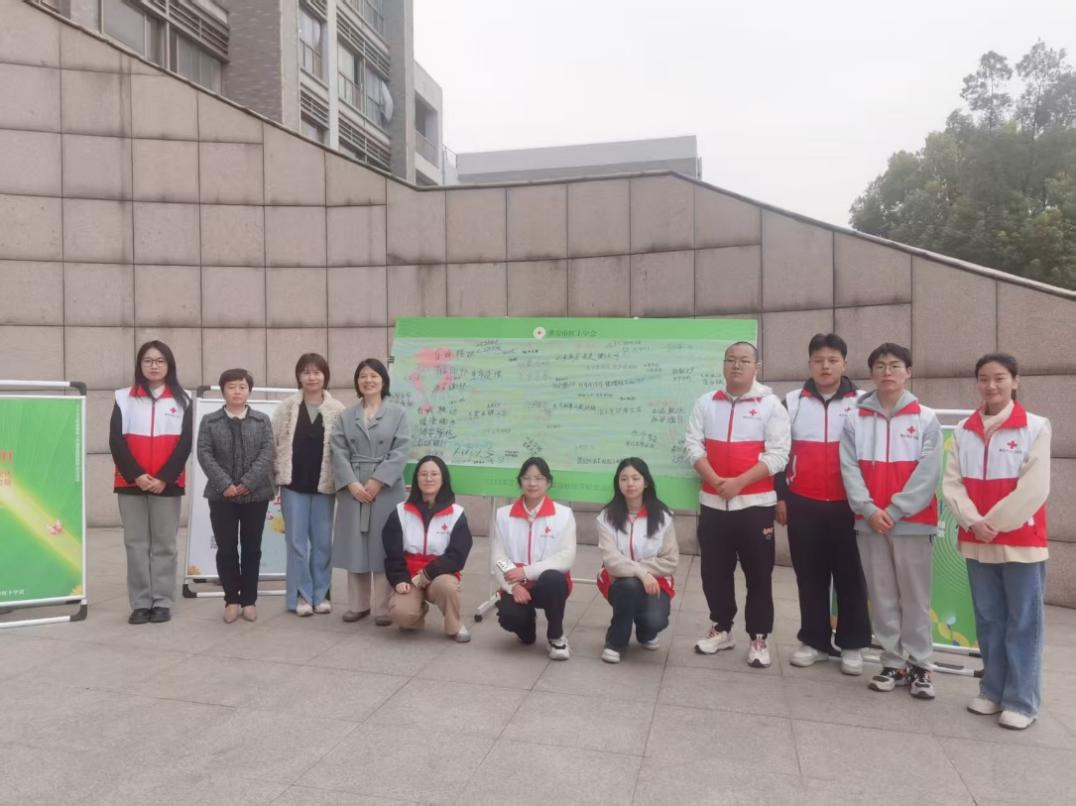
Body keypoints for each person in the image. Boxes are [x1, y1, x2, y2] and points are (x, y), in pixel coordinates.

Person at [943, 353, 1051, 730]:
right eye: (984, 379)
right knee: (989, 619)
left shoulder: (1035, 426)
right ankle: (992, 691)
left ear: (1015, 381)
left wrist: (994, 523)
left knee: (1024, 622)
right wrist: (974, 521)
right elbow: (952, 483)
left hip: (1021, 542)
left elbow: (1035, 488)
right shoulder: (963, 430)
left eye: (1000, 378)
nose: (991, 385)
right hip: (977, 540)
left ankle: (1022, 701)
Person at [839, 342, 942, 699]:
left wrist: (895, 510)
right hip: (868, 521)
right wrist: (868, 509)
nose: (887, 372)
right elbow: (848, 467)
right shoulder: (854, 418)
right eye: (880, 366)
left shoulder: (925, 418)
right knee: (882, 595)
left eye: (895, 365)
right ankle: (893, 662)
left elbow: (928, 473)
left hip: (913, 522)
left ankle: (921, 665)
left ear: (908, 372)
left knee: (915, 598)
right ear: (871, 373)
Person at [685, 341, 790, 668]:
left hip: (755, 507)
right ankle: (721, 628)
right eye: (730, 360)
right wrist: (716, 481)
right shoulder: (706, 402)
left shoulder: (771, 405)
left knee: (758, 574)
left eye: (744, 360)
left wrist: (739, 483)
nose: (736, 365)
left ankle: (758, 637)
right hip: (713, 504)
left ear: (756, 367)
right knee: (713, 572)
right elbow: (692, 445)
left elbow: (778, 455)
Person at [776, 333, 871, 675]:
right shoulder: (792, 401)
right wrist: (780, 496)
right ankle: (814, 641)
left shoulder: (864, 402)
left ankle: (852, 644)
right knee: (810, 576)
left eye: (832, 360)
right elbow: (778, 451)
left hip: (850, 505)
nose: (825, 366)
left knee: (851, 577)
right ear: (809, 364)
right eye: (818, 360)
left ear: (844, 364)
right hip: (803, 503)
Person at [109, 340, 193, 625]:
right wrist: (137, 475)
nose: (154, 366)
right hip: (130, 482)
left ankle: (162, 601)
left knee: (165, 544)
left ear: (169, 365)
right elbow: (116, 441)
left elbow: (185, 443)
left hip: (167, 483)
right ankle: (140, 602)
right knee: (135, 544)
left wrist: (164, 478)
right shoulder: (123, 397)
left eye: (160, 361)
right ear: (140, 365)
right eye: (148, 360)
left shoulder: (184, 400)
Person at [330, 358, 409, 625]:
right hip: (353, 489)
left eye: (374, 375)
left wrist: (378, 480)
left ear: (383, 380)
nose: (368, 380)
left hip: (386, 490)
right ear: (357, 382)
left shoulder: (398, 413)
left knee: (384, 545)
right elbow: (338, 452)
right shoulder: (345, 416)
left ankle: (384, 608)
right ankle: (358, 605)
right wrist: (352, 484)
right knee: (355, 545)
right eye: (363, 376)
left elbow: (401, 450)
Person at [196, 369, 275, 623]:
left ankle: (249, 600)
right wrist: (225, 484)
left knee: (252, 548)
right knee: (226, 548)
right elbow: (204, 454)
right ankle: (231, 599)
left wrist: (248, 482)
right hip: (222, 497)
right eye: (231, 387)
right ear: (223, 391)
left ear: (249, 390)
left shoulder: (262, 420)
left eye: (242, 387)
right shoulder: (210, 421)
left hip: (256, 496)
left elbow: (267, 453)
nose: (237, 392)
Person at [271, 353, 346, 617]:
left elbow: (344, 449)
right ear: (298, 376)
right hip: (293, 486)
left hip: (324, 487)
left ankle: (321, 594)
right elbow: (273, 443)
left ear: (325, 376)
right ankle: (301, 596)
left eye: (317, 372)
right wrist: (274, 477)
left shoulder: (338, 410)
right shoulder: (286, 408)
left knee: (323, 543)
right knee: (296, 543)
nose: (311, 377)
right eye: (306, 372)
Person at [492, 457, 577, 660]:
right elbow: (498, 556)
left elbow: (566, 557)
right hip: (517, 583)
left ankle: (556, 637)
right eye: (527, 478)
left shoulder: (563, 515)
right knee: (510, 618)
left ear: (548, 482)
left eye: (539, 478)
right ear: (520, 481)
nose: (532, 483)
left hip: (548, 584)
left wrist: (526, 572)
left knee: (553, 579)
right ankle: (527, 626)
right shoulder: (503, 515)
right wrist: (513, 586)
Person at [596, 458, 679, 664]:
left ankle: (646, 631)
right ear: (618, 483)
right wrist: (642, 573)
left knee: (656, 620)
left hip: (656, 581)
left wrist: (644, 573)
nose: (630, 484)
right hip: (618, 580)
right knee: (629, 586)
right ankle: (615, 643)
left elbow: (670, 561)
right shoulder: (606, 517)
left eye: (635, 478)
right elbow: (612, 561)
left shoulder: (663, 517)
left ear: (646, 482)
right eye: (624, 479)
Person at [382, 455, 473, 642]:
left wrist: (429, 572)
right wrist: (399, 578)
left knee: (447, 587)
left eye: (434, 474)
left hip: (440, 575)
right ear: (416, 479)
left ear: (443, 478)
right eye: (423, 474)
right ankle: (416, 609)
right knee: (403, 615)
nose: (428, 478)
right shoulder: (400, 511)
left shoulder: (456, 513)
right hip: (410, 576)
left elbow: (458, 555)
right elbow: (392, 552)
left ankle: (455, 625)